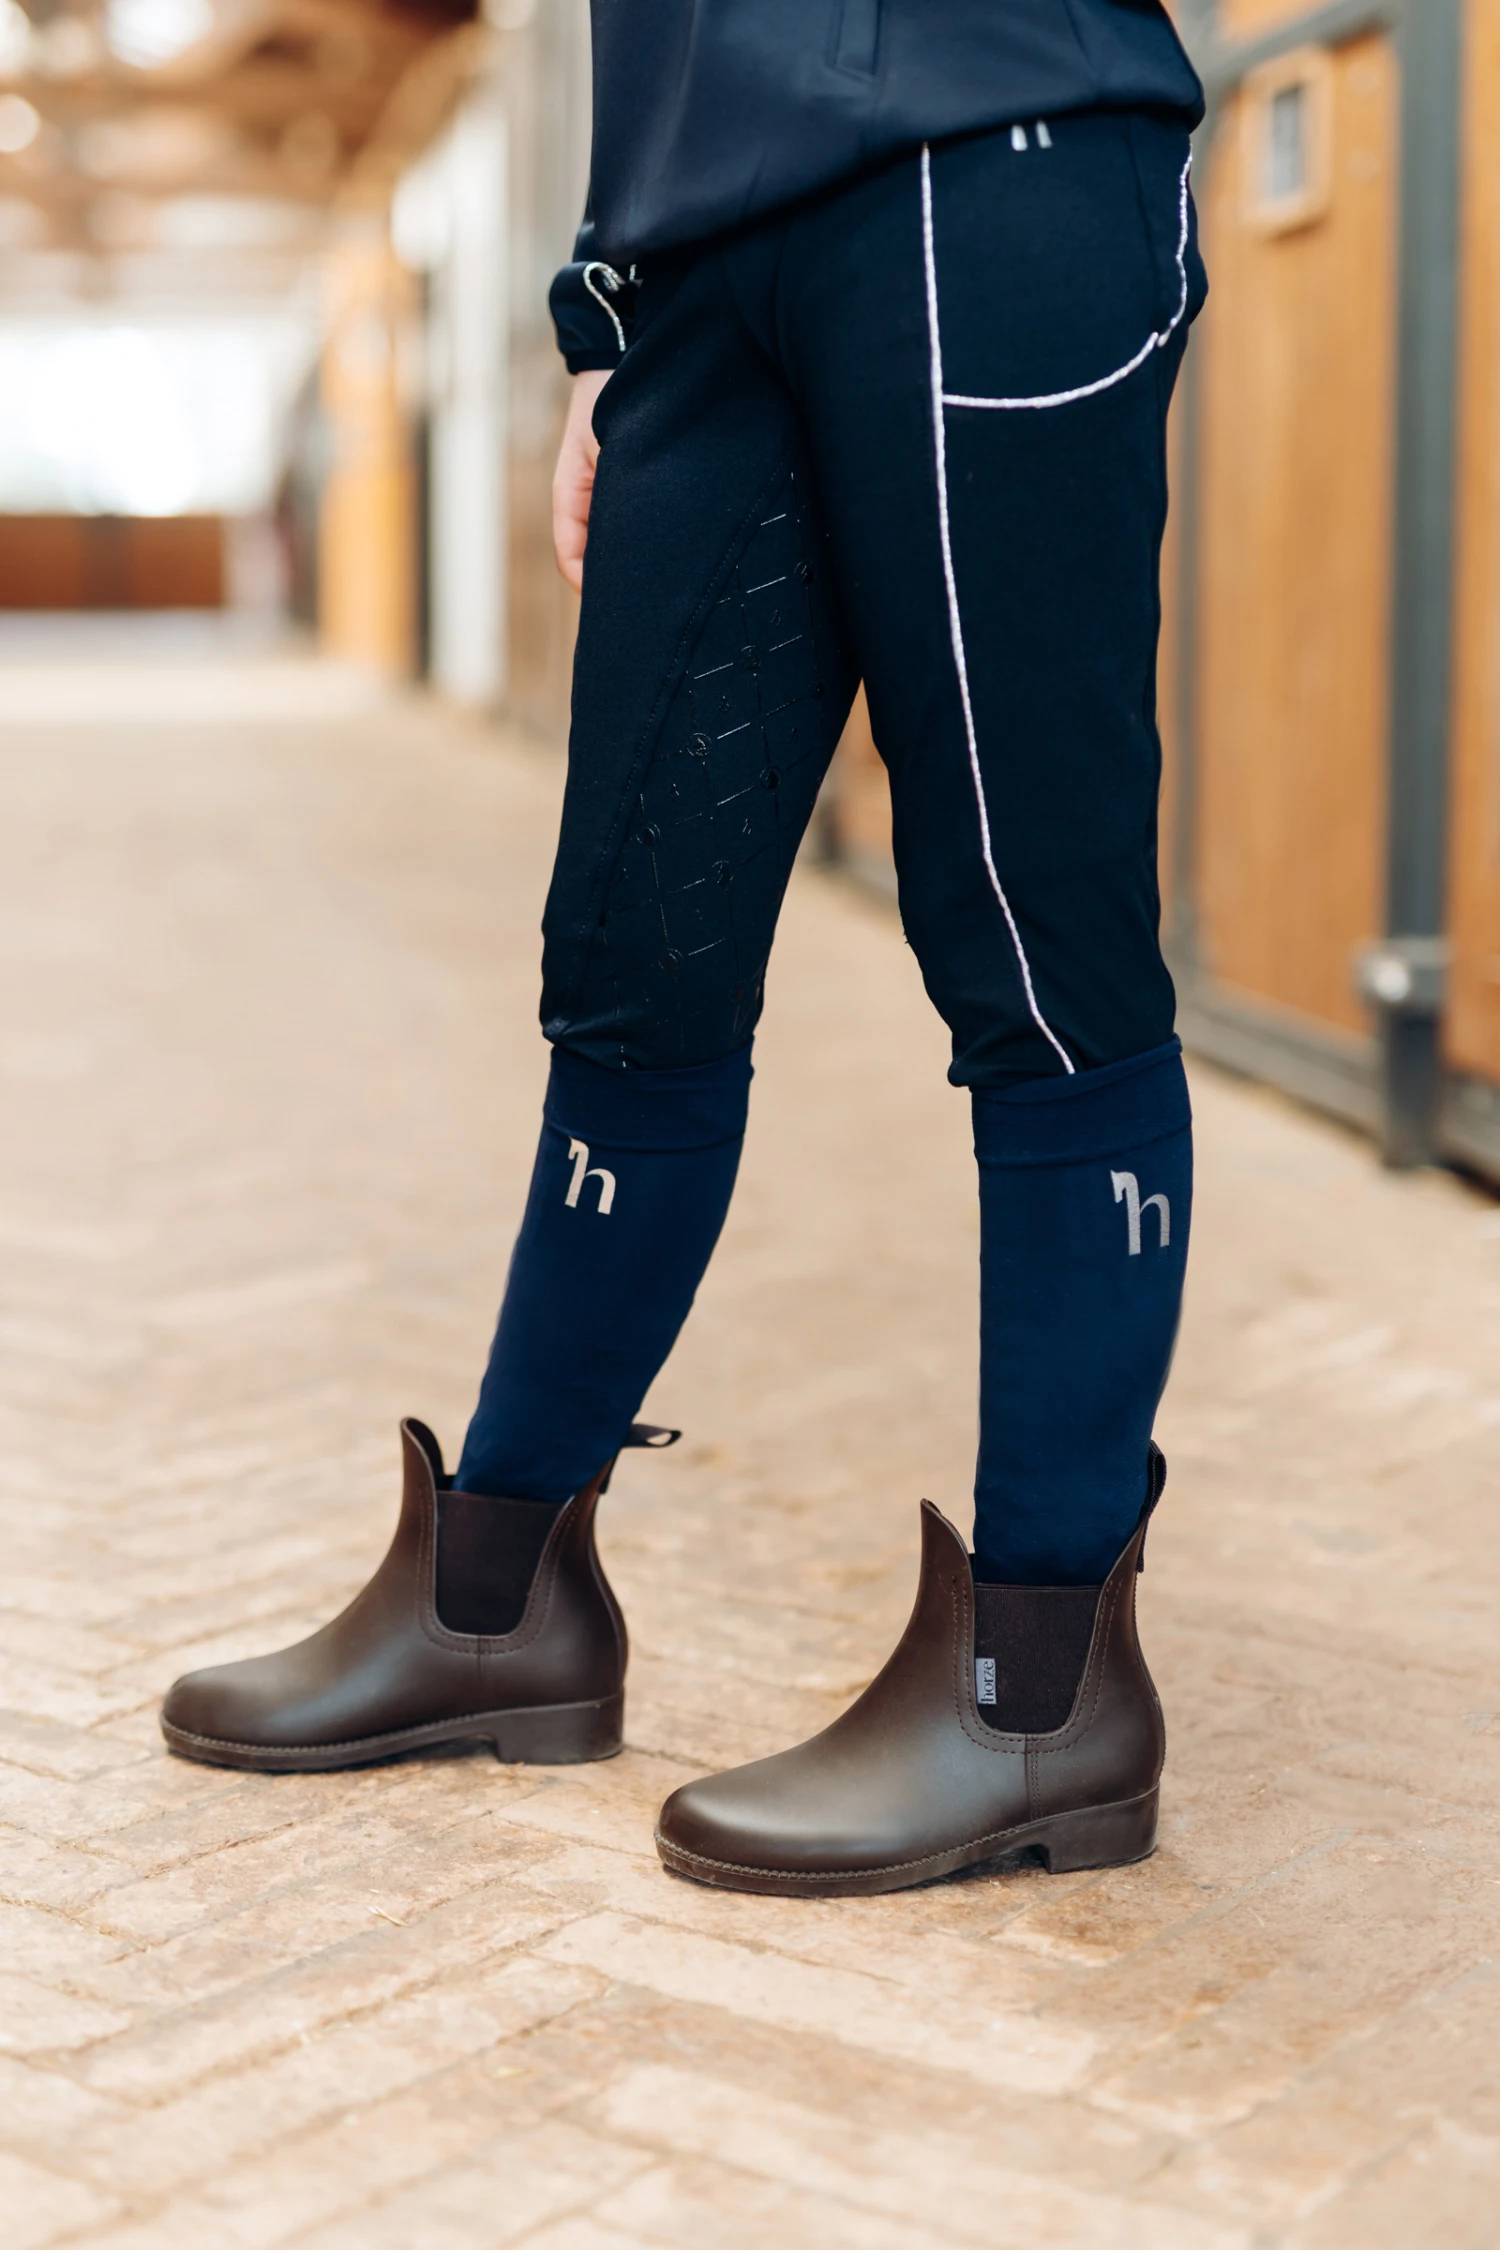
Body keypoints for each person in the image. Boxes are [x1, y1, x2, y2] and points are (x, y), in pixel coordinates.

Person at [161, 1, 1207, 1900]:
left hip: (996, 152)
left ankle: (1038, 1687)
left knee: (1037, 950)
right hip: (697, 246)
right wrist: (606, 300)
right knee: (634, 949)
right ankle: (498, 1603)